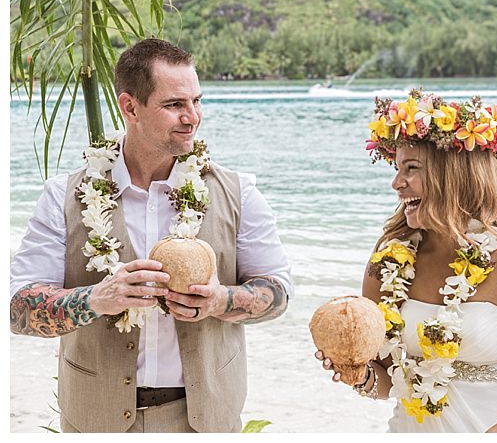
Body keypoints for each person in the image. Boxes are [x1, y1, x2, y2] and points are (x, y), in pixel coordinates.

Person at [10, 38, 293, 433]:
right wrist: (95, 298)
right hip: (95, 422)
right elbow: (18, 310)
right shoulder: (62, 196)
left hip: (204, 423)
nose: (192, 117)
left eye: (197, 101)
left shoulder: (238, 192)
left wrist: (220, 300)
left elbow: (278, 292)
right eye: (175, 104)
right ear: (130, 107)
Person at [316, 90, 497, 432]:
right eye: (397, 169)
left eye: (412, 169)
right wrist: (357, 372)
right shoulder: (389, 259)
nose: (397, 183)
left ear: (453, 173)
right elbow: (388, 381)